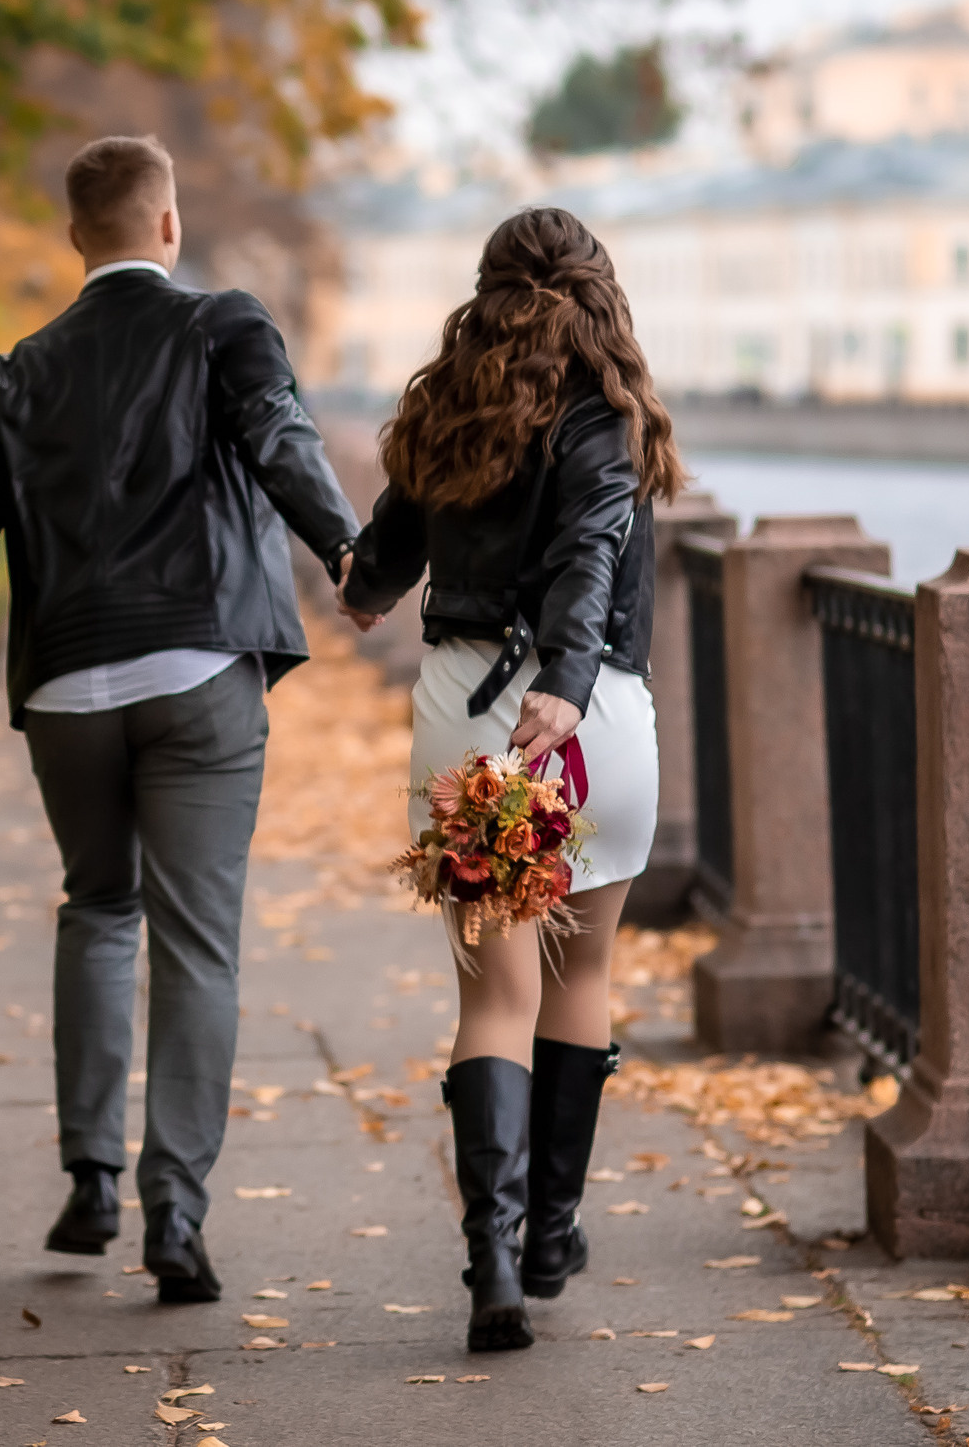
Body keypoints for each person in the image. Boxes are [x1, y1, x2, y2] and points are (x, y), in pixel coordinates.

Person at [0, 134, 362, 1307]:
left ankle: (89, 1178)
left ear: (75, 237)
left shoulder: (14, 373)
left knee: (97, 909)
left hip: (67, 686)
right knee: (196, 939)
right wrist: (349, 554)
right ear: (167, 227)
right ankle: (176, 1205)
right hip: (200, 670)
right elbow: (281, 443)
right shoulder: (224, 325)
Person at [336, 206, 683, 1352]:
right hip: (588, 727)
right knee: (580, 976)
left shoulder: (443, 408)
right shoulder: (607, 421)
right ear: (600, 295)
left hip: (466, 718)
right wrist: (569, 685)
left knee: (492, 997)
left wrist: (360, 583)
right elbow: (588, 555)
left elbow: (379, 559)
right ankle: (549, 1232)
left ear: (484, 291)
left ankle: (490, 1261)